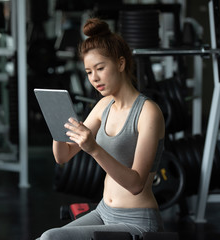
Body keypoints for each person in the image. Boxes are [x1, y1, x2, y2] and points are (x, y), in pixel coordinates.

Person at [37, 17, 165, 240]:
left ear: (121, 64)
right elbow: (63, 156)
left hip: (137, 222)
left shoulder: (148, 112)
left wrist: (94, 148)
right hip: (103, 212)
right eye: (88, 72)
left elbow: (136, 184)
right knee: (45, 238)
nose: (94, 78)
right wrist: (57, 122)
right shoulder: (104, 105)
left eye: (100, 68)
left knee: (52, 239)